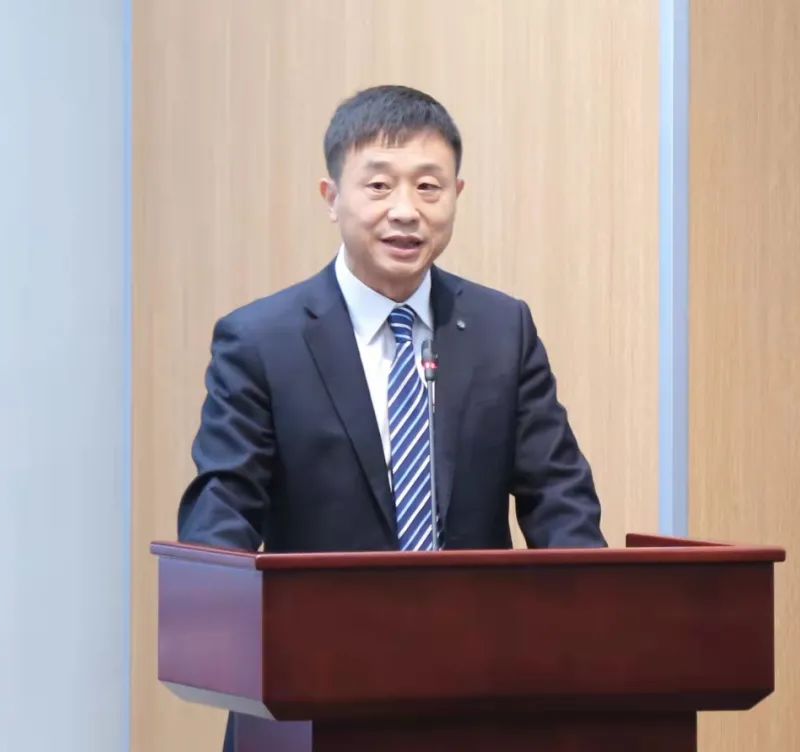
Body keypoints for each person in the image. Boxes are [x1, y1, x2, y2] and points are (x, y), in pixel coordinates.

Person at [178, 83, 606, 752]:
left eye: (428, 188)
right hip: (311, 690)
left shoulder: (502, 329)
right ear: (332, 197)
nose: (405, 211)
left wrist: (591, 625)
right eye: (378, 186)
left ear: (456, 195)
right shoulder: (261, 341)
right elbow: (223, 508)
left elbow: (560, 498)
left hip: (479, 691)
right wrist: (223, 616)